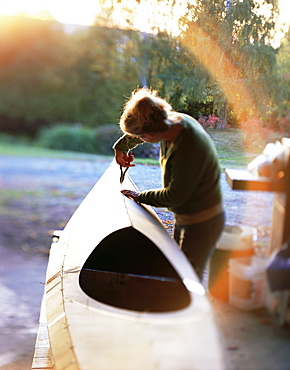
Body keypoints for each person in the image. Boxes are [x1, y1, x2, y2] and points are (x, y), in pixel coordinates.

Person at [113, 87, 225, 280]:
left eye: (141, 137)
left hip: (202, 222)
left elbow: (175, 196)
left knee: (187, 280)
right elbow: (140, 130)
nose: (140, 140)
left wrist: (140, 197)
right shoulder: (169, 121)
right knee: (177, 269)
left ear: (149, 136)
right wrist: (121, 148)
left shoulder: (189, 146)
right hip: (186, 216)